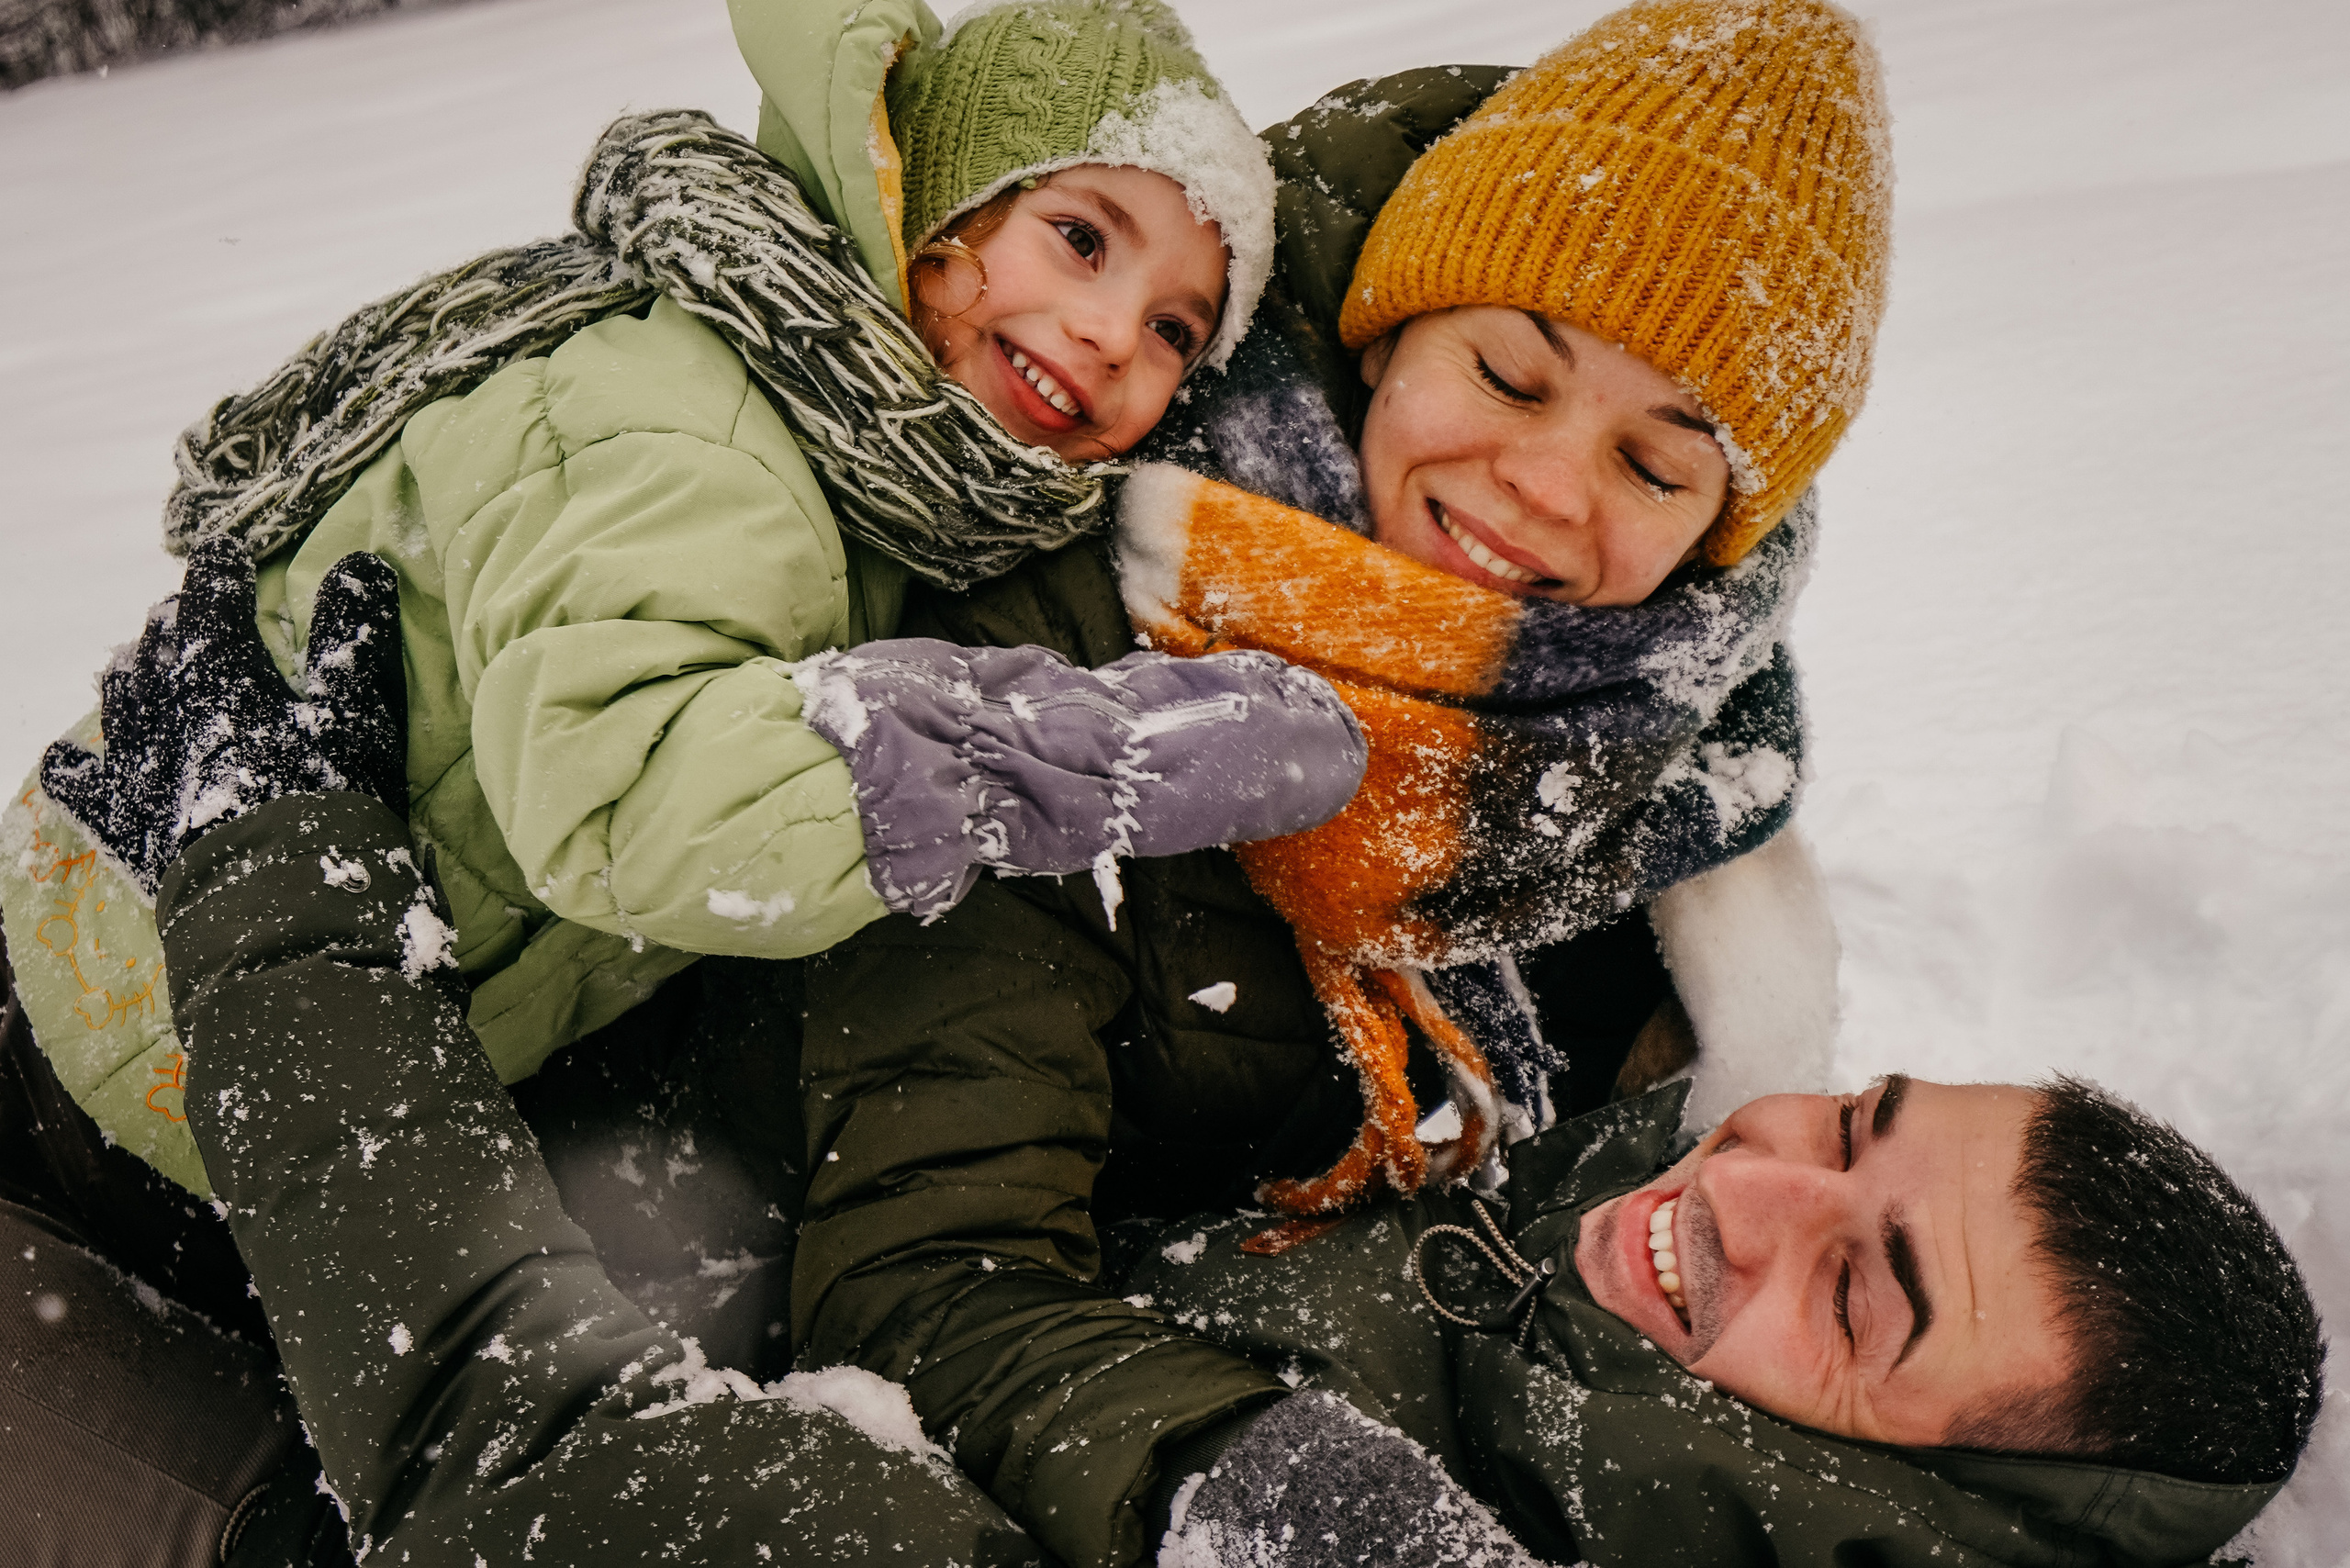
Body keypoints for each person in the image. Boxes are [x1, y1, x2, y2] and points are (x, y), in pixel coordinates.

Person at [0, 0, 1362, 1211]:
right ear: (927, 207)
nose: (1116, 334)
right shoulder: (693, 427)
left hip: (248, 1035)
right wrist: (1098, 752)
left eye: (1178, 329)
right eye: (1078, 239)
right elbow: (643, 801)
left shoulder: (868, 466)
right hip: (136, 1053)